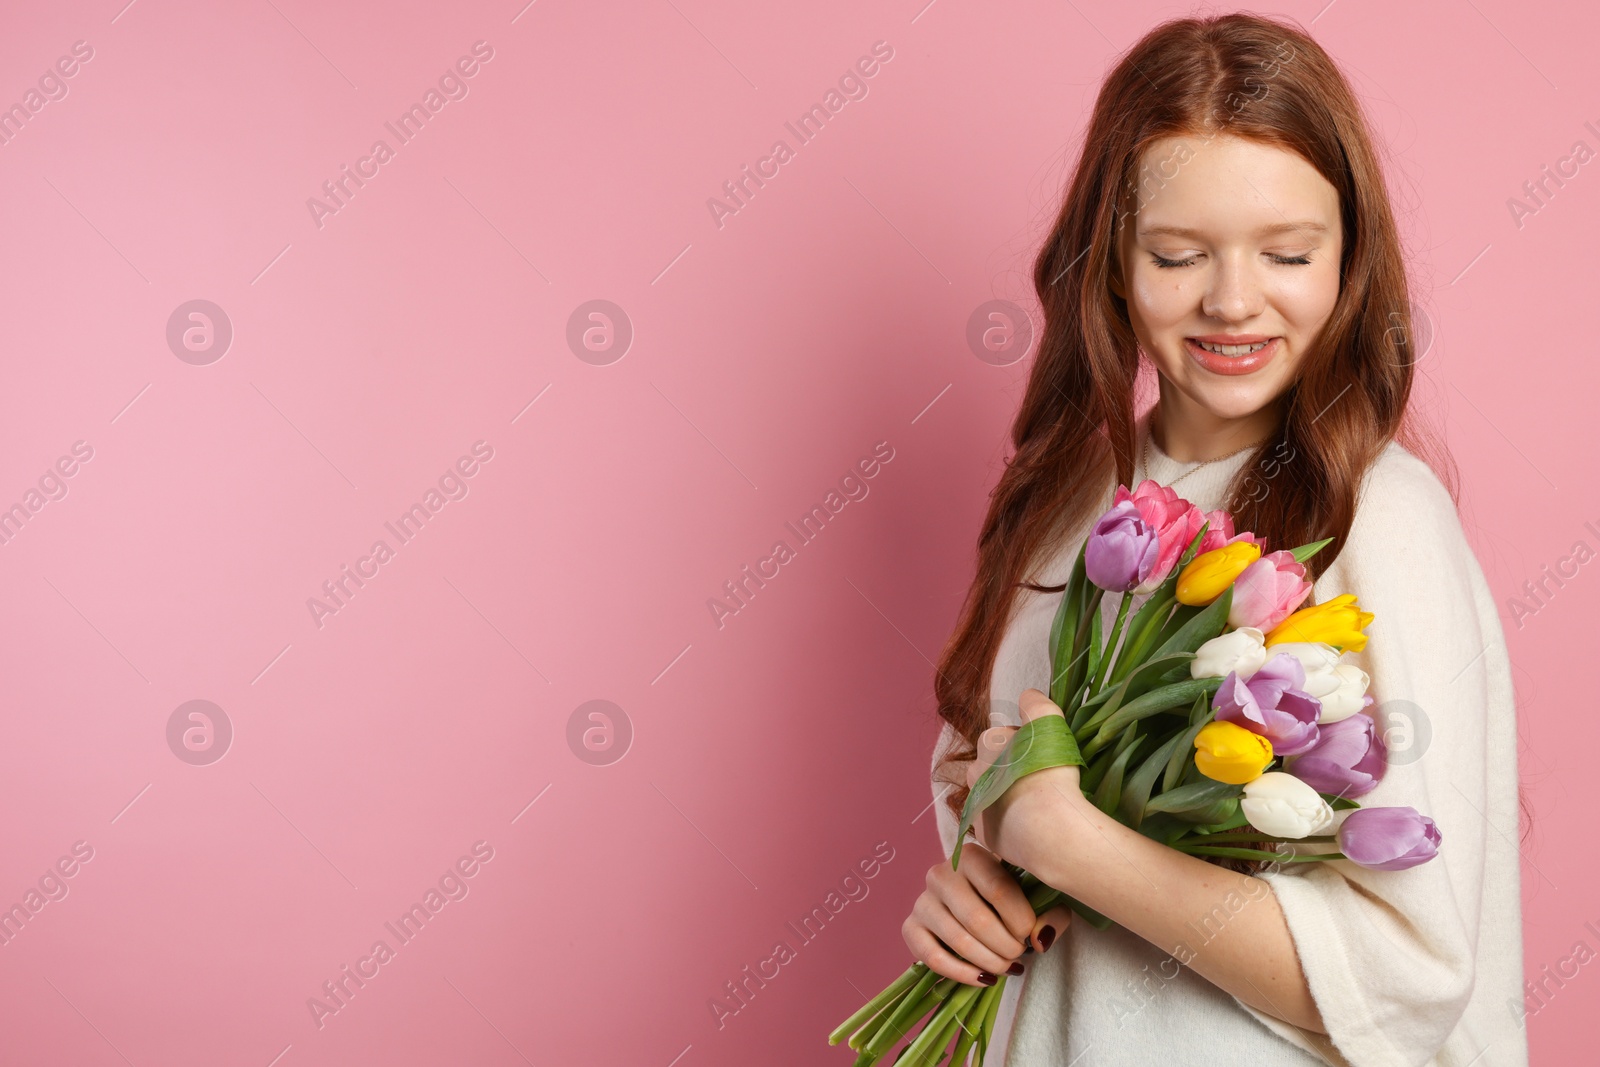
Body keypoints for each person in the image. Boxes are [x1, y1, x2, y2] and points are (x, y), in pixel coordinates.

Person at [902, 12, 1529, 1066]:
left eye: (1286, 252)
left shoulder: (1379, 517)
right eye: (1177, 254)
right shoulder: (1062, 502)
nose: (1233, 301)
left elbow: (1405, 977)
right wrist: (970, 896)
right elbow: (995, 802)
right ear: (1110, 262)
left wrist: (1074, 843)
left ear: (1350, 259)